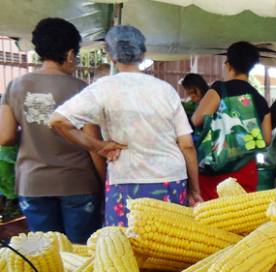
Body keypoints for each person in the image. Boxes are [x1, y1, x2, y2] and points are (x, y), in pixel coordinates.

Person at [49, 25, 202, 227]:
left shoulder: (103, 89)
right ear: (143, 54)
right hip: (171, 180)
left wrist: (97, 146)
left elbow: (57, 121)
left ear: (111, 56)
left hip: (127, 181)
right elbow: (187, 145)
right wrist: (195, 190)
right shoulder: (166, 90)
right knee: (171, 253)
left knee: (126, 249)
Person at [0, 18, 103, 243]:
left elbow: (5, 137)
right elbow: (93, 143)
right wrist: (104, 182)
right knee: (80, 255)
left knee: (47, 254)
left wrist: (31, 131)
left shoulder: (15, 86)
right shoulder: (81, 89)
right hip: (78, 183)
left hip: (33, 184)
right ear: (69, 54)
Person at [193, 41, 272, 200]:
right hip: (245, 170)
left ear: (228, 65)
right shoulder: (259, 99)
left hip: (215, 169)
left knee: (209, 219)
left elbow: (197, 119)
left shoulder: (219, 89)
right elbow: (267, 139)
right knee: (241, 218)